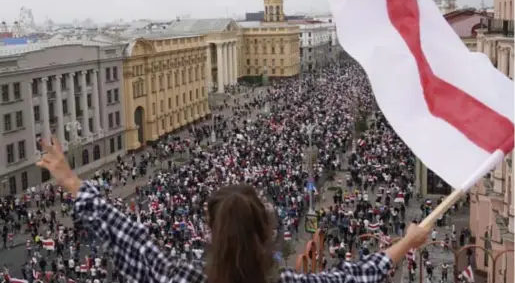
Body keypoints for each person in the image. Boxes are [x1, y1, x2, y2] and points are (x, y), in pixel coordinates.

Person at [37, 137, 431, 283]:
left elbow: (125, 233)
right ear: (264, 230)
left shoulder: (173, 276)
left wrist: (72, 182)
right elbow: (356, 275)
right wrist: (406, 243)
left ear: (211, 230)